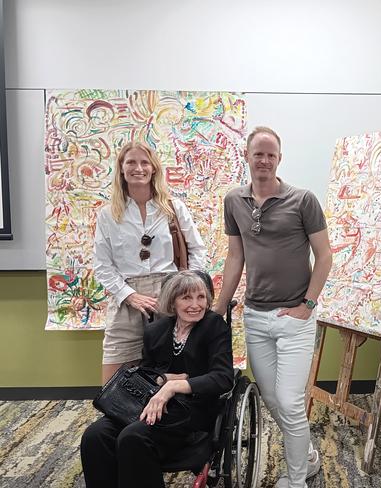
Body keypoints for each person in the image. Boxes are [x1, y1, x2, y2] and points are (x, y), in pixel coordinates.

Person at [214, 126, 332, 488]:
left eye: (271, 154)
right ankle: (308, 457)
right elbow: (235, 258)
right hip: (255, 316)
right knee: (271, 399)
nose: (264, 160)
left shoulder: (303, 200)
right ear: (247, 157)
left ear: (279, 159)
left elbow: (324, 255)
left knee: (291, 403)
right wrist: (217, 311)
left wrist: (308, 305)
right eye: (258, 154)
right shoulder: (234, 200)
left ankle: (297, 480)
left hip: (294, 318)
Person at [81, 270, 234, 488]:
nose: (195, 305)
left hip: (193, 408)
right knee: (95, 435)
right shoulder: (156, 330)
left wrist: (174, 386)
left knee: (133, 437)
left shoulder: (214, 326)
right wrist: (163, 379)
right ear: (172, 302)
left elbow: (223, 377)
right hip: (149, 402)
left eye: (201, 297)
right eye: (186, 298)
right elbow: (146, 372)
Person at [94, 141, 206, 384]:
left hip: (168, 294)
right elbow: (102, 265)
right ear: (121, 169)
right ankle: (121, 421)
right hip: (127, 297)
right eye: (131, 162)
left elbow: (197, 250)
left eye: (145, 162)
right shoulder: (108, 214)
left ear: (154, 168)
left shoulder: (173, 208)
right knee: (113, 384)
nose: (139, 168)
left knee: (172, 370)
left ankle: (164, 420)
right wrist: (129, 295)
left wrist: (184, 288)